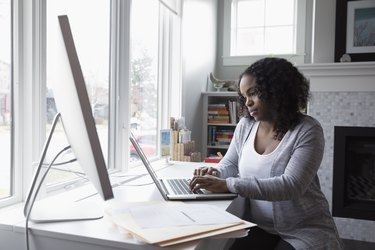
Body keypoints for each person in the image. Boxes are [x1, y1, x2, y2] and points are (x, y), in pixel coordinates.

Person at [190, 57, 343, 249]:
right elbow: (229, 163)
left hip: (304, 229)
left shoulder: (307, 130)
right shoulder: (245, 126)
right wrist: (215, 174)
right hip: (259, 226)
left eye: (253, 93)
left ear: (277, 90)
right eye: (244, 96)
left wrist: (228, 184)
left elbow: (291, 186)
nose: (248, 103)